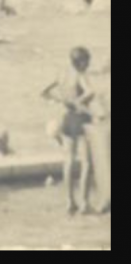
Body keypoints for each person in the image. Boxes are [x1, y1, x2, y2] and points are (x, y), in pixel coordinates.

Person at [42, 47, 96, 214]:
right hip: (81, 119)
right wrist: (78, 101)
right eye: (87, 61)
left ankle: (69, 202)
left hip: (66, 118)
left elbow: (44, 92)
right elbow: (91, 91)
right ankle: (84, 203)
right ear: (81, 62)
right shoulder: (80, 75)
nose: (89, 64)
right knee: (87, 162)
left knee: (68, 161)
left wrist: (62, 101)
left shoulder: (61, 74)